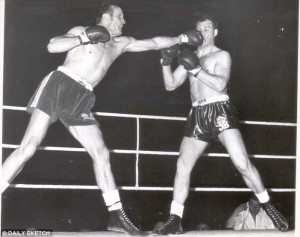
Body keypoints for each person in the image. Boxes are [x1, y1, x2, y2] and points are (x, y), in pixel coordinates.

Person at [0, 2, 204, 236]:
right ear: (106, 17)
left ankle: (116, 215)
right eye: (120, 16)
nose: (124, 21)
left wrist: (182, 39)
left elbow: (155, 42)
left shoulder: (121, 43)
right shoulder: (80, 30)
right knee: (28, 147)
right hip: (61, 84)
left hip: (83, 96)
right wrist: (85, 37)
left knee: (101, 153)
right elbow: (52, 46)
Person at [151, 15, 289, 235]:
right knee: (182, 164)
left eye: (207, 29)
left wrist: (196, 70)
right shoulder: (190, 56)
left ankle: (268, 206)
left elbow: (220, 84)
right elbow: (171, 85)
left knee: (242, 163)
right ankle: (175, 219)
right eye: (199, 29)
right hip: (197, 113)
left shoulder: (222, 55)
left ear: (215, 32)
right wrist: (165, 63)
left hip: (219, 110)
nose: (203, 33)